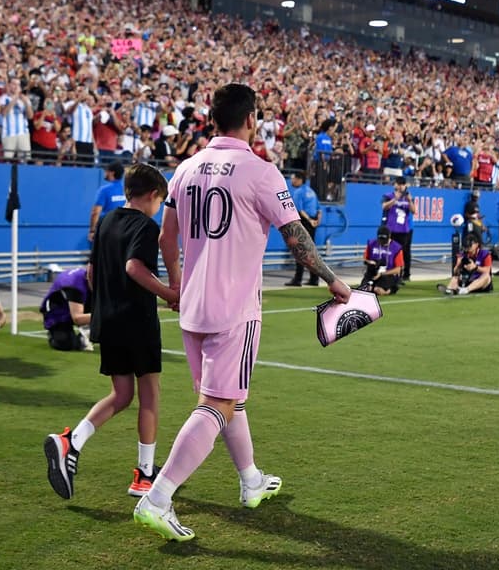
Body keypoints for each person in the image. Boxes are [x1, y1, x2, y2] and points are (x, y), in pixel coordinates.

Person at [130, 82, 351, 542]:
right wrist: (332, 280)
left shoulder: (185, 170)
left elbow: (165, 240)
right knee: (217, 403)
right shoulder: (262, 171)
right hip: (234, 309)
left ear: (212, 120)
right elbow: (297, 239)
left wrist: (176, 285)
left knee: (229, 397)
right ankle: (158, 497)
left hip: (191, 307)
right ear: (252, 120)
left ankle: (251, 479)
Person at [44, 163, 180, 501]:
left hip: (107, 320)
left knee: (121, 395)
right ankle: (144, 474)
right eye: (160, 202)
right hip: (136, 320)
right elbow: (134, 267)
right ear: (152, 195)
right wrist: (168, 294)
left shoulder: (106, 221)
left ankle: (71, 441)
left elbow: (91, 274)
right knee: (149, 392)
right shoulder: (146, 228)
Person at [39, 266, 94, 352]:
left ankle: (89, 331)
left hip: (80, 300)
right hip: (58, 311)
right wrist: (102, 315)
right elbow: (77, 318)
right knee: (65, 343)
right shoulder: (74, 284)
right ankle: (82, 336)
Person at [284, 170, 322, 286]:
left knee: (300, 250)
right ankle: (314, 278)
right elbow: (319, 208)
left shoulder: (298, 192)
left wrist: (309, 221)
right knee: (311, 251)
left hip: (305, 222)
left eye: (294, 178)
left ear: (299, 180)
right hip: (313, 222)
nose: (292, 181)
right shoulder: (311, 191)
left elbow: (299, 210)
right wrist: (316, 221)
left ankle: (298, 279)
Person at [381, 177, 414, 281]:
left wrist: (409, 201)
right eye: (398, 184)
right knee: (389, 251)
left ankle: (403, 274)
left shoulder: (408, 197)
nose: (400, 186)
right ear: (394, 185)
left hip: (403, 229)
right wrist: (395, 199)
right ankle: (389, 273)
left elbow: (414, 211)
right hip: (390, 228)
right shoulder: (388, 196)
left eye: (402, 184)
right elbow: (384, 207)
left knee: (403, 252)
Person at [87, 160, 126, 244]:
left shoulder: (104, 190)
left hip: (107, 230)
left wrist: (92, 231)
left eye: (106, 171)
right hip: (124, 229)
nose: (105, 173)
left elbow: (95, 212)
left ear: (112, 173)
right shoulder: (126, 189)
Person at [361, 225, 404, 296]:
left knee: (377, 290)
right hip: (373, 273)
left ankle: (391, 289)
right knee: (364, 290)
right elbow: (365, 258)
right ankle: (374, 287)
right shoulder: (371, 244)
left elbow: (398, 270)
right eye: (380, 240)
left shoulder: (396, 248)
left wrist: (381, 274)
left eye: (384, 240)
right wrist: (371, 263)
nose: (382, 242)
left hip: (388, 275)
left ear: (389, 236)